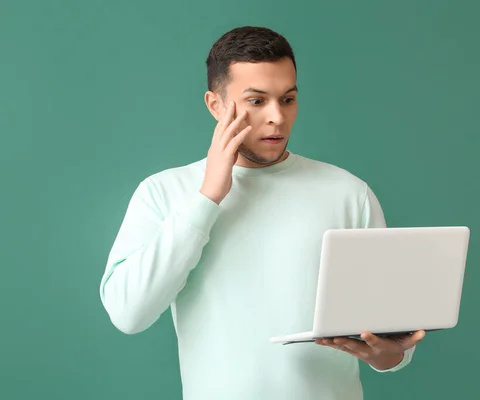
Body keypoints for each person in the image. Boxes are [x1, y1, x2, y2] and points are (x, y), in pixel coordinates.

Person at [99, 26, 425, 400]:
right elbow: (128, 314)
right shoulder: (163, 192)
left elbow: (390, 344)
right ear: (215, 105)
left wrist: (390, 355)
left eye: (287, 99)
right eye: (256, 101)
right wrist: (208, 198)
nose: (277, 117)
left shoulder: (349, 193)